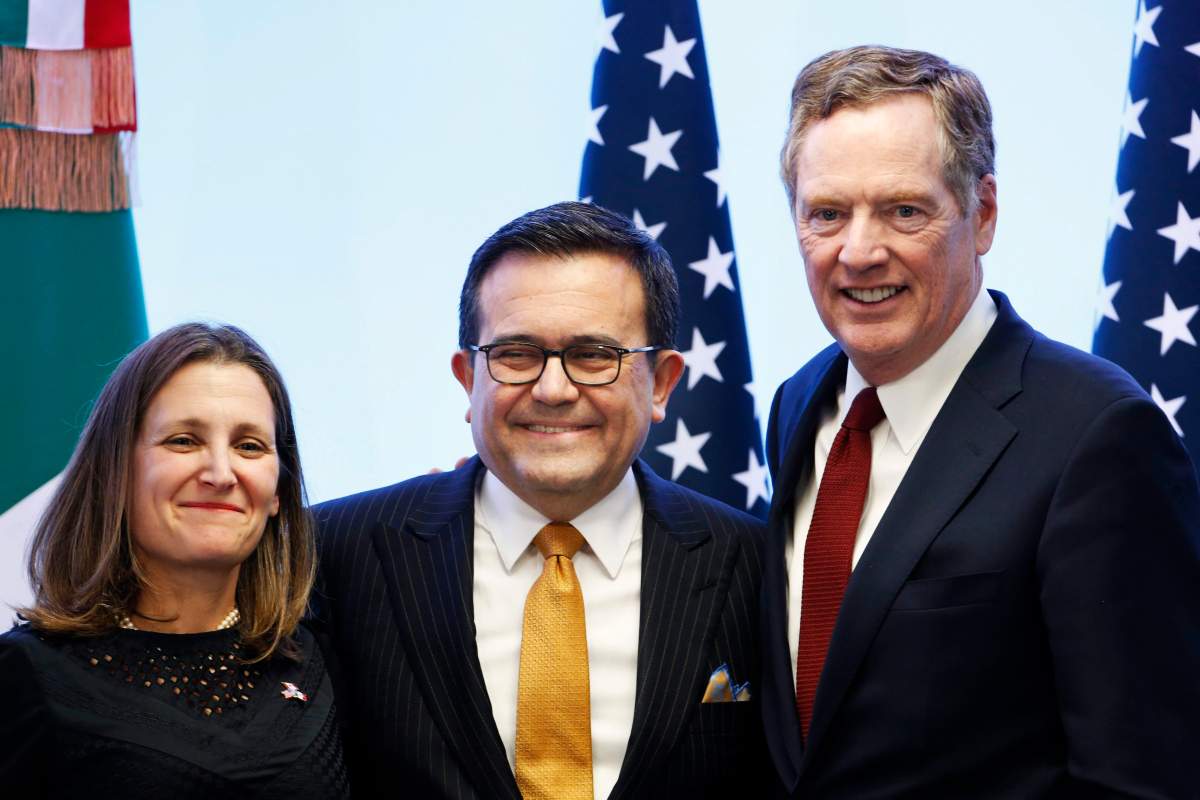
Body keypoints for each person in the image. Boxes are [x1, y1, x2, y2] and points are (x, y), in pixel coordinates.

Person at [758, 44, 1200, 798]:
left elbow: (1142, 779)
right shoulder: (799, 404)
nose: (859, 252)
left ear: (983, 213)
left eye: (904, 210)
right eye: (827, 213)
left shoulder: (1099, 434)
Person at [312, 201, 768, 799]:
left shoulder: (761, 568)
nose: (553, 390)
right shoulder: (333, 553)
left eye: (594, 355)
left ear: (661, 383)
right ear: (467, 379)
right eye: (516, 355)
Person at [0, 323, 349, 799]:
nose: (221, 474)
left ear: (279, 493)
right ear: (115, 470)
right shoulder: (25, 673)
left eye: (249, 446)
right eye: (183, 440)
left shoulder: (320, 657)